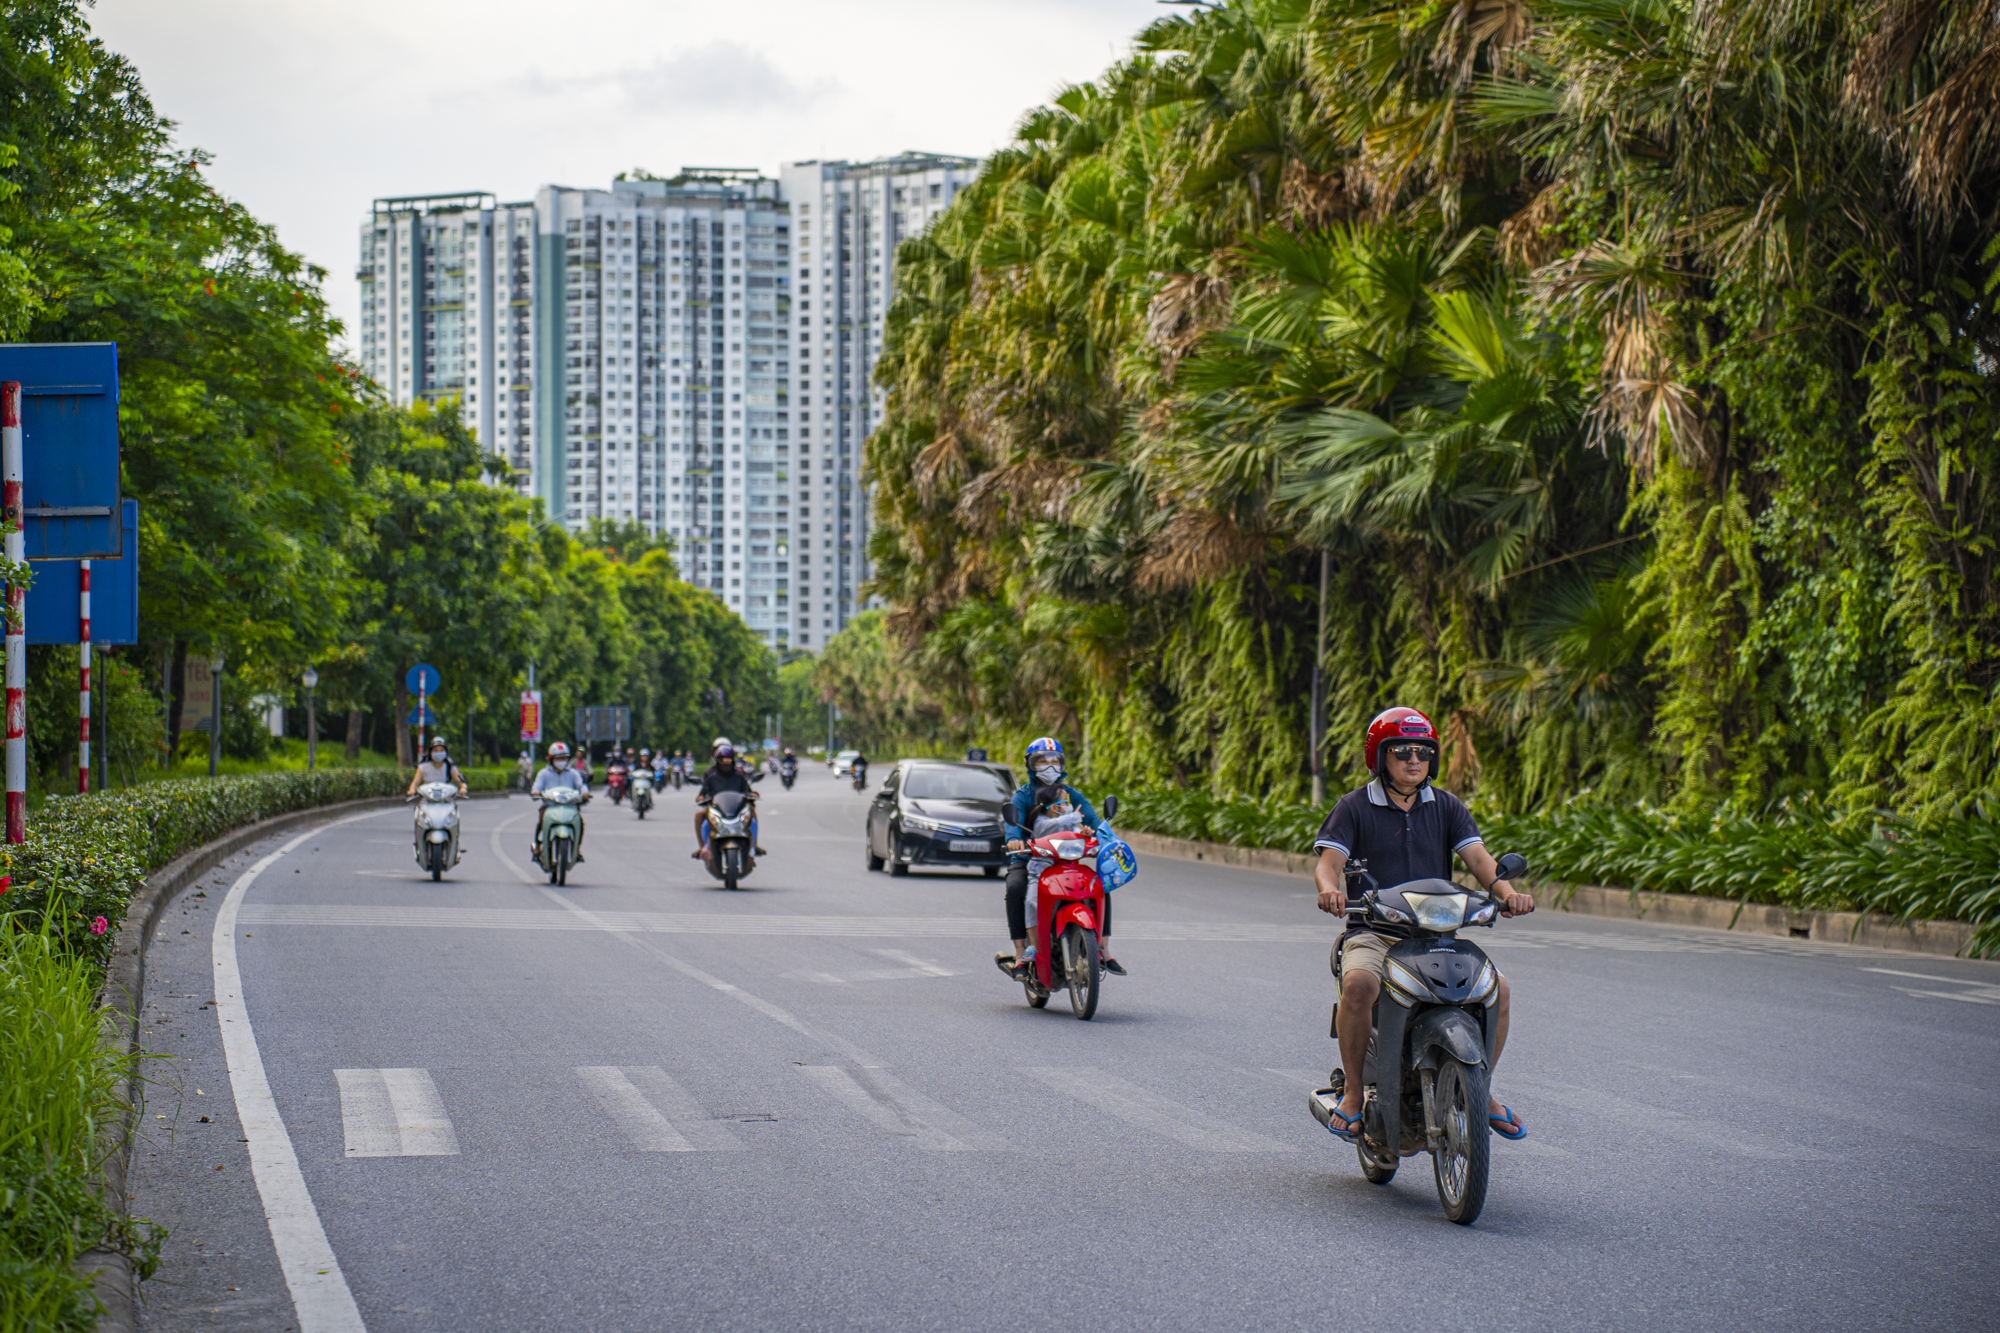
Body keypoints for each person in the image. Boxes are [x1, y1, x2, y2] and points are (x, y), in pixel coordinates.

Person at [1313, 706, 1534, 1143]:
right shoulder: (1354, 806)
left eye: (1423, 752)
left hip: (1437, 936)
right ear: (1381, 758)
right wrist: (1329, 889)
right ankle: (1354, 1094)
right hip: (1375, 932)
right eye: (1402, 752)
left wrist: (1508, 894)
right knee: (1358, 984)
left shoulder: (1447, 806)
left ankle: (1481, 1090)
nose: (1414, 760)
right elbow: (1328, 863)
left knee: (1500, 990)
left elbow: (1480, 862)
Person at [994, 737, 1125, 980]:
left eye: (1055, 761)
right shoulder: (1023, 796)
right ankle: (1022, 953)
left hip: (1066, 859)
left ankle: (1104, 949)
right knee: (1015, 887)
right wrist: (1015, 841)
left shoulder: (1070, 794)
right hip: (1030, 857)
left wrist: (1107, 837)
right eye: (1042, 761)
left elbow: (1093, 821)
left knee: (1100, 885)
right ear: (1031, 765)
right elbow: (1014, 826)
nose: (1050, 766)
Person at [693, 743, 764, 859]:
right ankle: (703, 848)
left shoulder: (739, 776)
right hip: (716, 810)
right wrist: (701, 798)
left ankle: (754, 846)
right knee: (700, 815)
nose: (725, 763)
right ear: (717, 761)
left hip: (736, 810)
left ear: (733, 761)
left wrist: (753, 794)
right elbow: (702, 794)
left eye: (728, 760)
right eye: (722, 760)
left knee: (752, 811)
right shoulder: (711, 777)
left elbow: (747, 791)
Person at [530, 740, 591, 863]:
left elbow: (581, 785)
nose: (561, 761)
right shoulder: (544, 773)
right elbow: (536, 788)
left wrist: (585, 793)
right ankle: (537, 846)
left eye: (564, 758)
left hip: (570, 807)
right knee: (541, 820)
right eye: (558, 758)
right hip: (550, 806)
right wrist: (536, 793)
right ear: (551, 759)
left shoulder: (573, 774)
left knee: (580, 822)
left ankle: (577, 849)